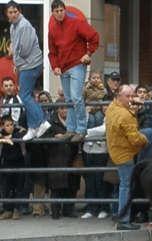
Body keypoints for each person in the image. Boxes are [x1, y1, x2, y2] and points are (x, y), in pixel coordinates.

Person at [48, 0, 100, 143]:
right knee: (69, 99)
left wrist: (88, 54)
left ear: (65, 10)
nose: (59, 13)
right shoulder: (52, 30)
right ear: (52, 13)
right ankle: (70, 129)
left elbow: (94, 37)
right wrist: (55, 66)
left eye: (61, 10)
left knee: (76, 97)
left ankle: (81, 129)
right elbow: (52, 52)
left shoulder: (76, 23)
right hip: (63, 68)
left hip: (77, 64)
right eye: (56, 11)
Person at [105, 85, 149, 231]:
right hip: (125, 153)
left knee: (123, 186)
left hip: (115, 150)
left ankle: (121, 216)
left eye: (132, 96)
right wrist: (145, 140)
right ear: (120, 96)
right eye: (128, 96)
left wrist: (133, 105)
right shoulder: (125, 115)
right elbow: (136, 139)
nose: (131, 99)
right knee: (126, 186)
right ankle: (124, 219)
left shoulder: (112, 107)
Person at [6, 1, 51, 141]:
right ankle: (32, 127)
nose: (13, 14)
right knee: (28, 96)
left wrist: (15, 56)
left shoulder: (24, 25)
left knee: (24, 95)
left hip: (30, 64)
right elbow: (16, 47)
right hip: (25, 65)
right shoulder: (14, 26)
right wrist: (16, 61)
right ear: (7, 13)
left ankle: (42, 121)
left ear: (19, 11)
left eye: (15, 11)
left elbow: (24, 50)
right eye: (10, 12)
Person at [40, 104, 79, 219]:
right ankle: (55, 212)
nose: (64, 111)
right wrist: (53, 137)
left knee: (72, 186)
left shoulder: (74, 121)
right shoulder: (50, 122)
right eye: (62, 108)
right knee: (56, 187)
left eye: (66, 108)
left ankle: (69, 210)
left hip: (72, 156)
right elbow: (42, 138)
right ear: (57, 109)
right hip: (56, 157)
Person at [80, 98, 109, 220]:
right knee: (90, 181)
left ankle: (103, 208)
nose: (105, 107)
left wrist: (86, 133)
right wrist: (86, 112)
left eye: (107, 105)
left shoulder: (108, 116)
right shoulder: (88, 115)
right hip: (88, 150)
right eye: (103, 105)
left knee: (100, 180)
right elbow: (80, 126)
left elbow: (104, 129)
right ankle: (91, 208)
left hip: (101, 151)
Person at [0, 116, 25, 220]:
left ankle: (16, 210)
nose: (10, 127)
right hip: (6, 164)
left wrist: (9, 138)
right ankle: (7, 210)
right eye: (7, 125)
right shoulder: (2, 135)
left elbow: (23, 133)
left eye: (11, 125)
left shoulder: (18, 133)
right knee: (6, 188)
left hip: (19, 163)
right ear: (3, 126)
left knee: (18, 188)